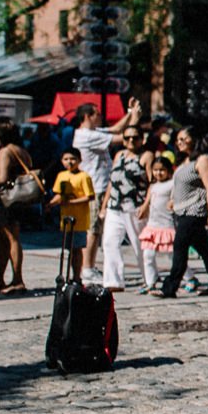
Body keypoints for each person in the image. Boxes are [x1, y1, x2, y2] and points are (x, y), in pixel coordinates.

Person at [153, 129, 208, 299]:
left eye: (183, 139)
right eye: (177, 140)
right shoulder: (184, 162)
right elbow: (180, 185)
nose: (179, 143)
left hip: (195, 211)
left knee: (179, 247)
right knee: (205, 250)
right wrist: (173, 200)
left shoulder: (203, 160)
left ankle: (170, 287)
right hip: (182, 210)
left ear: (193, 140)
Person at [71, 98, 142, 276]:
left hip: (99, 185)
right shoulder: (86, 135)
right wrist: (135, 118)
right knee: (93, 229)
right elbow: (124, 137)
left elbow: (116, 129)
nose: (101, 117)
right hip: (96, 186)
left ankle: (90, 266)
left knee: (97, 228)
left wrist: (129, 112)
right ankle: (87, 268)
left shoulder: (93, 131)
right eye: (98, 114)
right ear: (87, 116)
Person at [0, 119, 36, 296]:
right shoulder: (22, 150)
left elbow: (2, 178)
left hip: (6, 200)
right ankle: (0, 278)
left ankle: (17, 279)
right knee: (6, 239)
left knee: (11, 239)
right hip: (18, 200)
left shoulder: (6, 151)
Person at [99, 126, 149, 291]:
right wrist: (104, 205)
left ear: (142, 139)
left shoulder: (146, 156)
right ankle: (113, 281)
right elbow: (112, 181)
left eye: (135, 138)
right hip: (115, 206)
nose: (131, 141)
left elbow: (152, 183)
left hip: (134, 206)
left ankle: (149, 278)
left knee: (139, 244)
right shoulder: (119, 155)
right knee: (109, 242)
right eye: (127, 138)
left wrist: (146, 204)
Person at [47, 147, 95, 283]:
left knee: (77, 249)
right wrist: (50, 204)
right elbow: (59, 195)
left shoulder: (84, 176)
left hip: (79, 220)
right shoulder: (61, 176)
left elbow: (90, 196)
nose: (70, 162)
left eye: (73, 159)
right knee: (68, 250)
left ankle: (76, 276)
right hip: (65, 220)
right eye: (66, 159)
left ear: (80, 160)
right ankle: (67, 276)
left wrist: (72, 202)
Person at [136, 156, 176, 293]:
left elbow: (175, 199)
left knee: (172, 255)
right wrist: (143, 209)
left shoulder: (172, 184)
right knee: (148, 255)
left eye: (162, 170)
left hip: (167, 224)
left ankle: (189, 277)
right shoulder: (153, 186)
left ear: (169, 170)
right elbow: (147, 201)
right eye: (155, 170)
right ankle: (150, 281)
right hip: (152, 225)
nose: (158, 173)